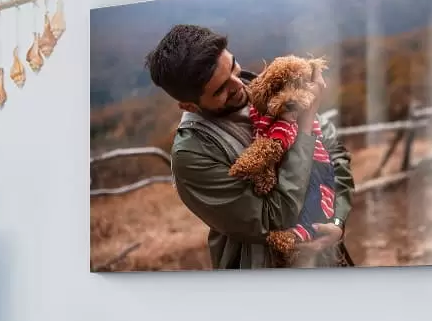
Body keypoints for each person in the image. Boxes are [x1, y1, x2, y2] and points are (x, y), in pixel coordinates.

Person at [143, 24, 355, 269]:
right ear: (189, 106)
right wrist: (304, 125)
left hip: (330, 261)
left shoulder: (271, 86)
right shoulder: (193, 153)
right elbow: (276, 219)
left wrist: (338, 221)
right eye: (221, 90)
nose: (239, 85)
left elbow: (336, 156)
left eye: (233, 66)